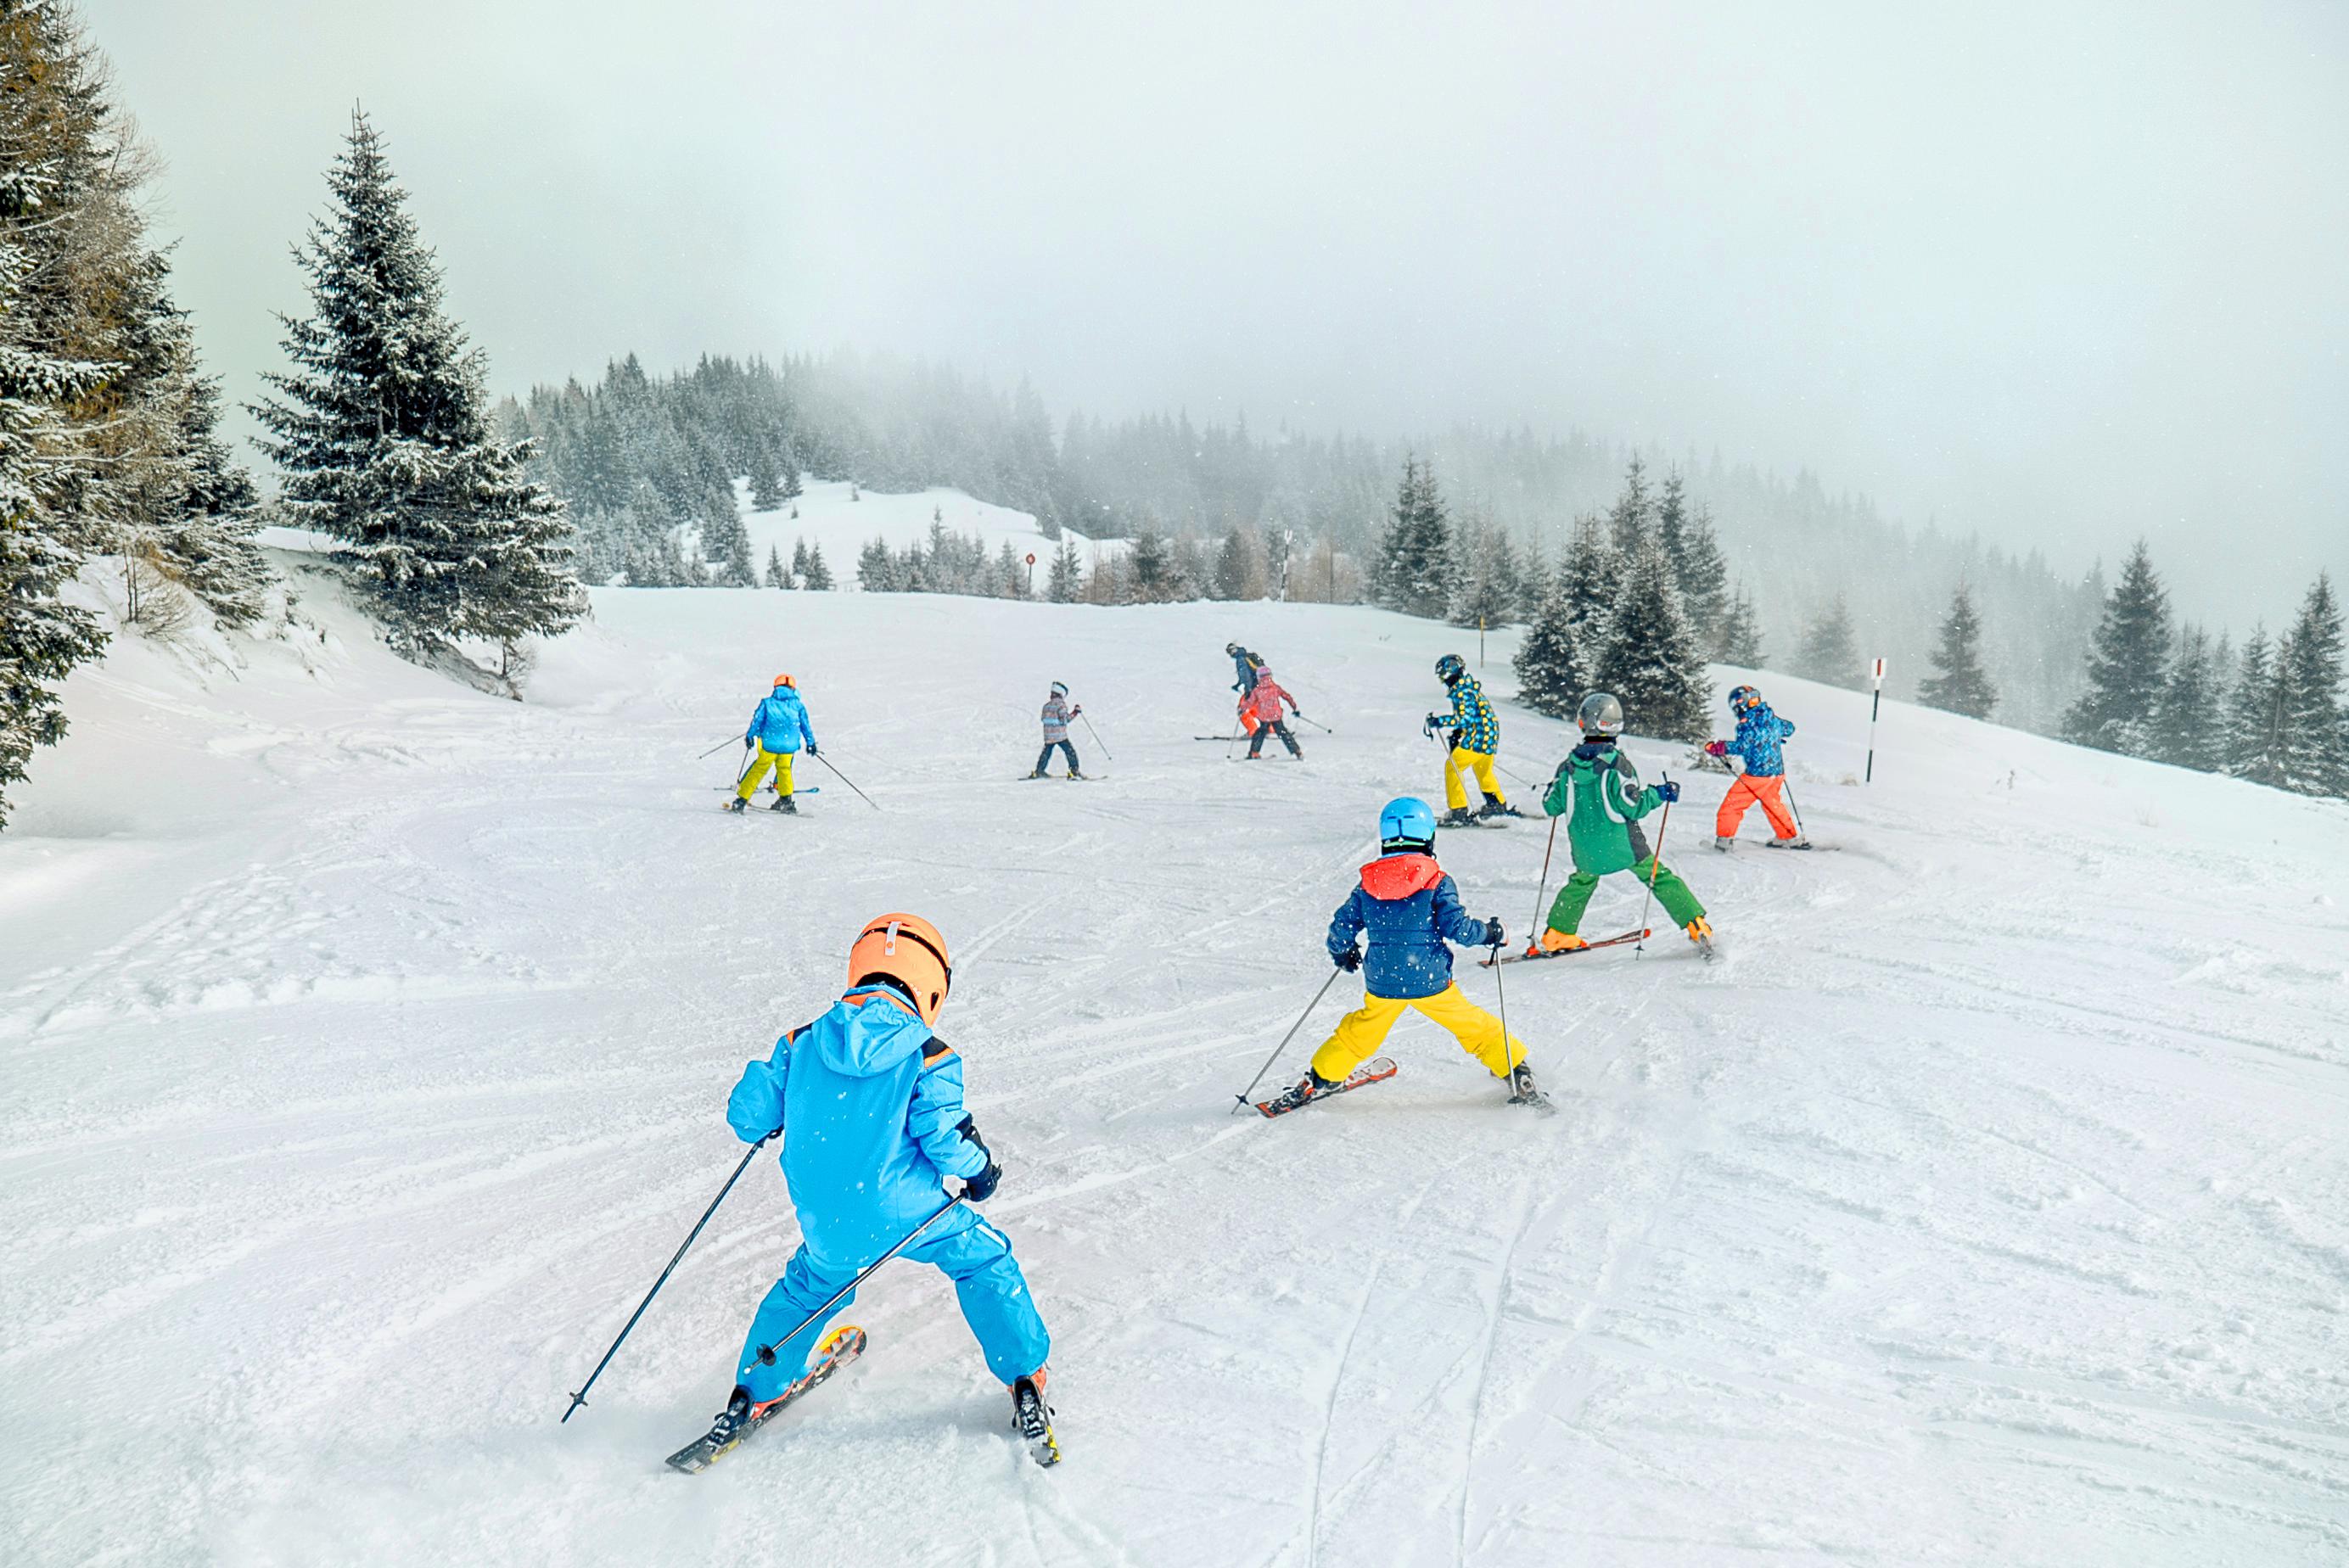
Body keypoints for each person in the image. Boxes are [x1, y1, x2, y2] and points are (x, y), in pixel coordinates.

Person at [701, 914, 1057, 1459]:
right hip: (912, 1214)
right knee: (984, 1260)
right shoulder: (929, 1053)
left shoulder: (802, 1042)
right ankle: (1025, 1375)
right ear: (930, 985)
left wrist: (783, 1092)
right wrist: (980, 1170)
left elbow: (747, 1117)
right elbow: (944, 1139)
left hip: (827, 1219)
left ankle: (751, 1395)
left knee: (809, 1288)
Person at [1261, 797, 1538, 1112]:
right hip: (1430, 979)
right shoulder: (1437, 880)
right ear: (1428, 837)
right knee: (1474, 1027)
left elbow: (1342, 924)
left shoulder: (1368, 885)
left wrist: (1343, 950)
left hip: (1383, 980)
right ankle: (1517, 1071)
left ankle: (1322, 1076)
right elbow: (1457, 928)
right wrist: (1490, 933)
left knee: (1359, 1033)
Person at [1530, 692, 1713, 955]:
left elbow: (1551, 806)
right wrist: (1660, 793)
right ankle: (1697, 926)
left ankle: (1558, 934)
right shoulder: (1618, 765)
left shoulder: (1567, 767)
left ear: (1584, 724)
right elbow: (1633, 806)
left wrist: (1553, 787)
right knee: (1659, 877)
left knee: (1581, 883)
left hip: (1585, 847)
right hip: (1622, 844)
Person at [1706, 685, 1804, 848]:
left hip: (1757, 774)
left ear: (1740, 704)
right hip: (1776, 774)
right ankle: (1787, 837)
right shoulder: (1771, 718)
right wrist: (1772, 737)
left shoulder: (1747, 724)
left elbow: (1743, 746)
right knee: (1772, 803)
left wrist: (1720, 747)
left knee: (1732, 805)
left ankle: (1724, 840)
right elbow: (1789, 728)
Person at [1426, 653, 1517, 826]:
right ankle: (1496, 805)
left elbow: (1464, 718)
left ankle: (1458, 810)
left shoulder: (1463, 692)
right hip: (1488, 736)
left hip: (1479, 737)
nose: (1442, 680)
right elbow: (1472, 717)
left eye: (1442, 676)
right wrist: (1459, 732)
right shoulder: (1467, 688)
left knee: (1452, 767)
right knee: (1484, 771)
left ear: (1451, 672)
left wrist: (1439, 722)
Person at [729, 674, 816, 814]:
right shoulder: (798, 705)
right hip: (789, 746)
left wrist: (750, 736)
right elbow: (805, 725)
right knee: (784, 771)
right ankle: (786, 802)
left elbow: (757, 720)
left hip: (770, 745)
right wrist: (811, 743)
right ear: (793, 688)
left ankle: (741, 801)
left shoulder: (767, 703)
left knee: (758, 770)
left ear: (776, 687)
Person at [1242, 666, 1305, 759]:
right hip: (1276, 716)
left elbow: (1250, 702)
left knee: (1260, 734)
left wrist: (1242, 708)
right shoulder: (1275, 688)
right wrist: (1294, 708)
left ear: (1259, 677)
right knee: (1283, 733)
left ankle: (1254, 753)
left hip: (1264, 716)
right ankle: (1297, 751)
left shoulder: (1257, 690)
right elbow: (1287, 697)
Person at [1029, 682, 1086, 779]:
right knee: (1070, 752)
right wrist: (1075, 712)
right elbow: (1065, 720)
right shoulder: (1061, 705)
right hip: (1060, 736)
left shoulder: (1046, 706)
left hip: (1048, 735)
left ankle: (1039, 770)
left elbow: (1044, 719)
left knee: (1046, 752)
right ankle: (1074, 771)